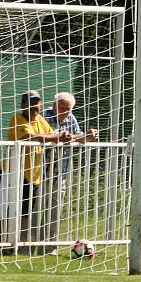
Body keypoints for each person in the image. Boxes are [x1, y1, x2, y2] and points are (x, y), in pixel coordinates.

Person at [0, 90, 70, 255]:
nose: (34, 106)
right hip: (13, 173)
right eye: (31, 103)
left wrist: (68, 136)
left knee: (27, 213)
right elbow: (31, 138)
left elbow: (53, 134)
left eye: (37, 103)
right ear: (23, 105)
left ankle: (19, 247)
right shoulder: (17, 120)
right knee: (6, 211)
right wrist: (57, 137)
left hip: (33, 176)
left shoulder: (40, 120)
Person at [41, 92, 98, 244]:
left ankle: (50, 247)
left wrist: (88, 136)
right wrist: (61, 136)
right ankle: (28, 245)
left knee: (55, 212)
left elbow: (78, 136)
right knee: (36, 211)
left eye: (67, 109)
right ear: (54, 105)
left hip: (60, 174)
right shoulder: (43, 115)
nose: (64, 112)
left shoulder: (71, 118)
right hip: (40, 172)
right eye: (61, 107)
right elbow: (42, 136)